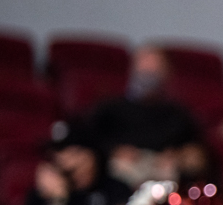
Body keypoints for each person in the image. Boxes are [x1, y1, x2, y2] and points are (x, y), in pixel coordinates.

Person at [89, 47, 209, 187]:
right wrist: (113, 150)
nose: (149, 73)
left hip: (162, 171)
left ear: (166, 73)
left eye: (155, 68)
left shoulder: (178, 113)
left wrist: (177, 155)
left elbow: (195, 146)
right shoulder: (110, 108)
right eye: (144, 66)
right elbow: (89, 137)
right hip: (122, 168)